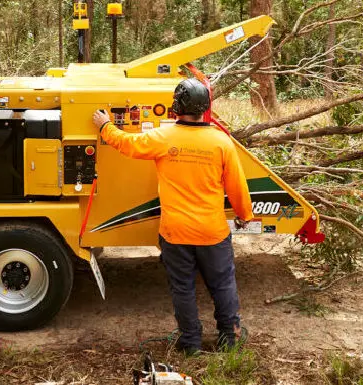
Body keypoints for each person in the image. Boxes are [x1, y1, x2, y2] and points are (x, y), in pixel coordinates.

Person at [91, 78, 254, 354]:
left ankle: (190, 343)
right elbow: (237, 186)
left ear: (176, 106)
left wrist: (105, 125)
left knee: (183, 289)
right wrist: (244, 215)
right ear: (205, 108)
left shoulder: (163, 137)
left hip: (175, 233)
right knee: (223, 285)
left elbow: (127, 144)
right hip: (212, 232)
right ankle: (230, 338)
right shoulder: (220, 142)